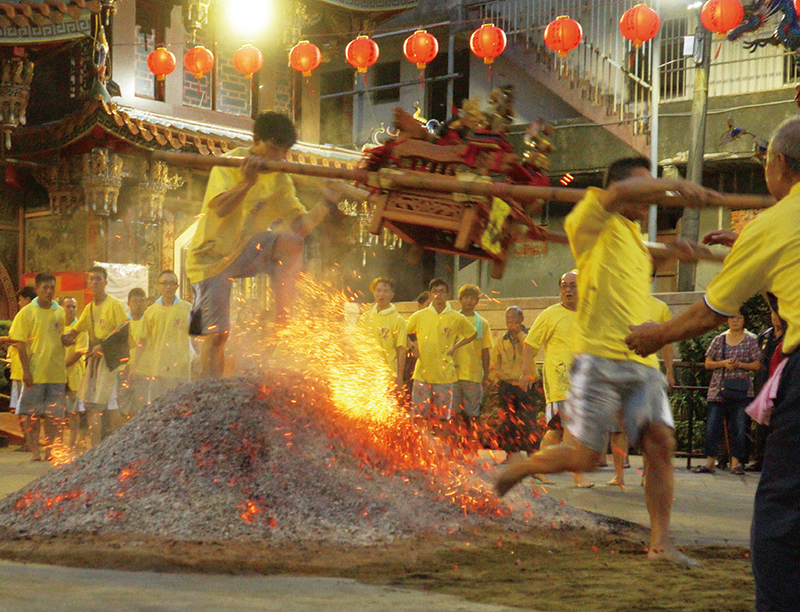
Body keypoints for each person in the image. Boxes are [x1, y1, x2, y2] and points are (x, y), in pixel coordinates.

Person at [496, 156, 719, 566]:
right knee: (585, 457)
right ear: (617, 187)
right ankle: (523, 468)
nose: (651, 198)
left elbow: (635, 258)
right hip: (597, 357)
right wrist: (674, 187)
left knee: (661, 444)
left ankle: (660, 543)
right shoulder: (590, 220)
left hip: (643, 357)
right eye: (645, 188)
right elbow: (618, 195)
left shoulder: (633, 238)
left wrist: (672, 251)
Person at [625, 117, 800, 607]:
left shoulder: (776, 222)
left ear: (779, 165)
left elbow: (709, 313)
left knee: (782, 513)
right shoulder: (770, 229)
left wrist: (655, 334)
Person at [186, 111, 333, 378]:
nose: (278, 159)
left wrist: (326, 203)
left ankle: (283, 317)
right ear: (256, 141)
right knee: (218, 335)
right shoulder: (230, 163)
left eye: (283, 153)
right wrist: (248, 181)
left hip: (246, 251)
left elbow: (300, 227)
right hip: (210, 259)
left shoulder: (280, 178)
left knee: (291, 242)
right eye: (273, 150)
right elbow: (221, 209)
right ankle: (208, 390)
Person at [519, 271, 593, 488]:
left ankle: (536, 467)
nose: (568, 290)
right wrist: (526, 372)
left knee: (556, 431)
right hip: (560, 383)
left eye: (573, 285)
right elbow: (530, 346)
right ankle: (578, 476)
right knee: (571, 428)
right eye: (564, 286)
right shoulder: (550, 315)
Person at [62, 266, 129, 449]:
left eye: (98, 279)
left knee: (111, 405)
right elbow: (77, 329)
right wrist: (67, 337)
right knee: (92, 406)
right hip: (94, 363)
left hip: (110, 364)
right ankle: (95, 448)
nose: (94, 282)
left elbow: (124, 331)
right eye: (91, 279)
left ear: (106, 282)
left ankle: (122, 446)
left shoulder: (114, 304)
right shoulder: (89, 307)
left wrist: (103, 346)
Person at [693, 310, 761, 475]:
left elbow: (757, 365)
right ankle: (710, 462)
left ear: (744, 320)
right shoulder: (719, 340)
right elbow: (708, 363)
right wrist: (723, 363)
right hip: (718, 389)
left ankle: (735, 463)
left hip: (741, 389)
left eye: (738, 317)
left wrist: (739, 365)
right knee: (712, 426)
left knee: (738, 427)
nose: (735, 321)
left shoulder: (751, 341)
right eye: (731, 318)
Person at [8, 273, 67, 461]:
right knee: (32, 415)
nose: (49, 291)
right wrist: (26, 370)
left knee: (53, 416)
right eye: (45, 288)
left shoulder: (60, 311)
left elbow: (61, 337)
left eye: (52, 287)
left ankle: (50, 450)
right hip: (35, 373)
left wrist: (66, 340)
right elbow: (20, 343)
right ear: (37, 289)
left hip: (56, 372)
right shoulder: (26, 313)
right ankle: (35, 451)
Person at [405, 278, 476, 422]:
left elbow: (472, 333)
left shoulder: (456, 317)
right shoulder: (419, 316)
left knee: (442, 417)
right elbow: (406, 332)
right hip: (422, 373)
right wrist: (414, 346)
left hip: (445, 374)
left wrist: (456, 346)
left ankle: (441, 444)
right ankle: (421, 443)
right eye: (435, 291)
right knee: (419, 415)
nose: (438, 295)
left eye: (442, 291)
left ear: (448, 294)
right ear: (430, 294)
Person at [136, 271, 193, 406]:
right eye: (164, 283)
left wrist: (197, 360)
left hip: (181, 369)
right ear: (158, 286)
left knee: (183, 407)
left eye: (171, 283)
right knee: (158, 407)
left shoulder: (187, 308)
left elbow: (196, 337)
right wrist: (135, 366)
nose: (168, 287)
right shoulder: (151, 311)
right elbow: (142, 340)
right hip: (158, 369)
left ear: (177, 286)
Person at [491, 306, 541, 454]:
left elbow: (532, 352)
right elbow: (495, 362)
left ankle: (533, 453)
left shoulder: (528, 337)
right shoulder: (502, 340)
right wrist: (496, 378)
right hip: (507, 385)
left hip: (526, 385)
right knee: (507, 422)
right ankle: (511, 453)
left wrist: (518, 333)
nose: (510, 320)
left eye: (513, 317)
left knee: (528, 420)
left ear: (522, 319)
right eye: (508, 317)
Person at [0, 286, 37, 451]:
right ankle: (31, 441)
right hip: (29, 367)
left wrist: (3, 340)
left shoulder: (25, 313)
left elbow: (17, 340)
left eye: (20, 299)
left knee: (24, 409)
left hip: (24, 369)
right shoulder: (39, 312)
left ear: (28, 299)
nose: (19, 303)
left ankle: (29, 442)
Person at [749, 309, 784, 471]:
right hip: (763, 383)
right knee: (761, 423)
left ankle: (775, 460)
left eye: (778, 315)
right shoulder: (764, 336)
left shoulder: (791, 336)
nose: (775, 318)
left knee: (778, 423)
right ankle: (759, 458)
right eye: (773, 314)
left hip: (781, 384)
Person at [453, 284, 493, 426]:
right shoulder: (452, 320)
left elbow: (485, 351)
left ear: (477, 301)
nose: (469, 301)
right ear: (460, 300)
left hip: (473, 375)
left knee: (473, 414)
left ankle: (472, 443)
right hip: (453, 374)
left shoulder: (482, 323)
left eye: (472, 298)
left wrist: (486, 375)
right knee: (453, 413)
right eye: (465, 297)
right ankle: (454, 444)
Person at [357, 277, 407, 388]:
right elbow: (358, 346)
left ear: (392, 295)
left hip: (388, 376)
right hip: (366, 375)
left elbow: (401, 350)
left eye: (386, 291)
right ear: (374, 293)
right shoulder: (365, 318)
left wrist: (399, 376)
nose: (381, 294)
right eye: (378, 290)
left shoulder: (398, 319)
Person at [62, 297, 88, 451]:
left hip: (74, 375)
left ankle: (74, 441)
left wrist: (62, 366)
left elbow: (79, 351)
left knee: (74, 411)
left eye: (73, 307)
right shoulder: (56, 326)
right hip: (56, 375)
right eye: (68, 306)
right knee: (57, 411)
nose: (70, 310)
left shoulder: (80, 328)